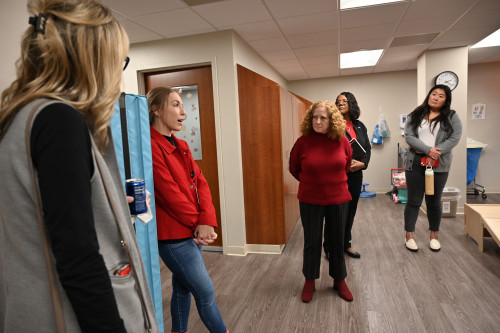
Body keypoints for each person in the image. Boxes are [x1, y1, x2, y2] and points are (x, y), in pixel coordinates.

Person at [0, 1, 159, 332]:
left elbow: (43, 216)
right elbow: (78, 258)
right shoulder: (59, 121)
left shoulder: (19, 117)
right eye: (120, 61)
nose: (119, 72)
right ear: (94, 61)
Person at [147, 87, 228, 333]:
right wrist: (199, 224)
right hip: (174, 236)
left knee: (182, 289)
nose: (183, 112)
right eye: (175, 105)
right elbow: (168, 194)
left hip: (193, 231)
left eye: (182, 105)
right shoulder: (150, 146)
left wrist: (207, 221)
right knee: (205, 292)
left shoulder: (180, 143)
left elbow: (200, 182)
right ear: (156, 110)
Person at [289, 100, 354, 303]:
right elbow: (294, 168)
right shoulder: (303, 142)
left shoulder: (342, 141)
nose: (318, 121)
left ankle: (339, 280)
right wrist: (313, 183)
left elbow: (346, 165)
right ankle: (310, 280)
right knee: (312, 242)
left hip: (338, 198)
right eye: (314, 117)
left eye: (323, 118)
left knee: (336, 241)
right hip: (310, 199)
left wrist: (329, 182)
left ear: (332, 120)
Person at [404, 84, 462, 252]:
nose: (435, 97)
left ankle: (434, 236)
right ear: (429, 95)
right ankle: (409, 236)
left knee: (434, 202)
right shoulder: (416, 114)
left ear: (446, 100)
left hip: (439, 164)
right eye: (433, 94)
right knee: (414, 201)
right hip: (415, 161)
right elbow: (409, 135)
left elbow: (455, 137)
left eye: (441, 95)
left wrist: (435, 153)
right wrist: (427, 149)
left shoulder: (452, 116)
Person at [323, 92, 371, 259]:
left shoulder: (360, 126)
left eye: (344, 101)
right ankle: (329, 247)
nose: (341, 103)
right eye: (338, 101)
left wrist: (363, 164)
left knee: (350, 210)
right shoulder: (332, 125)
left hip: (356, 174)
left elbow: (367, 148)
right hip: (337, 175)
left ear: (352, 103)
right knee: (334, 212)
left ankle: (346, 244)